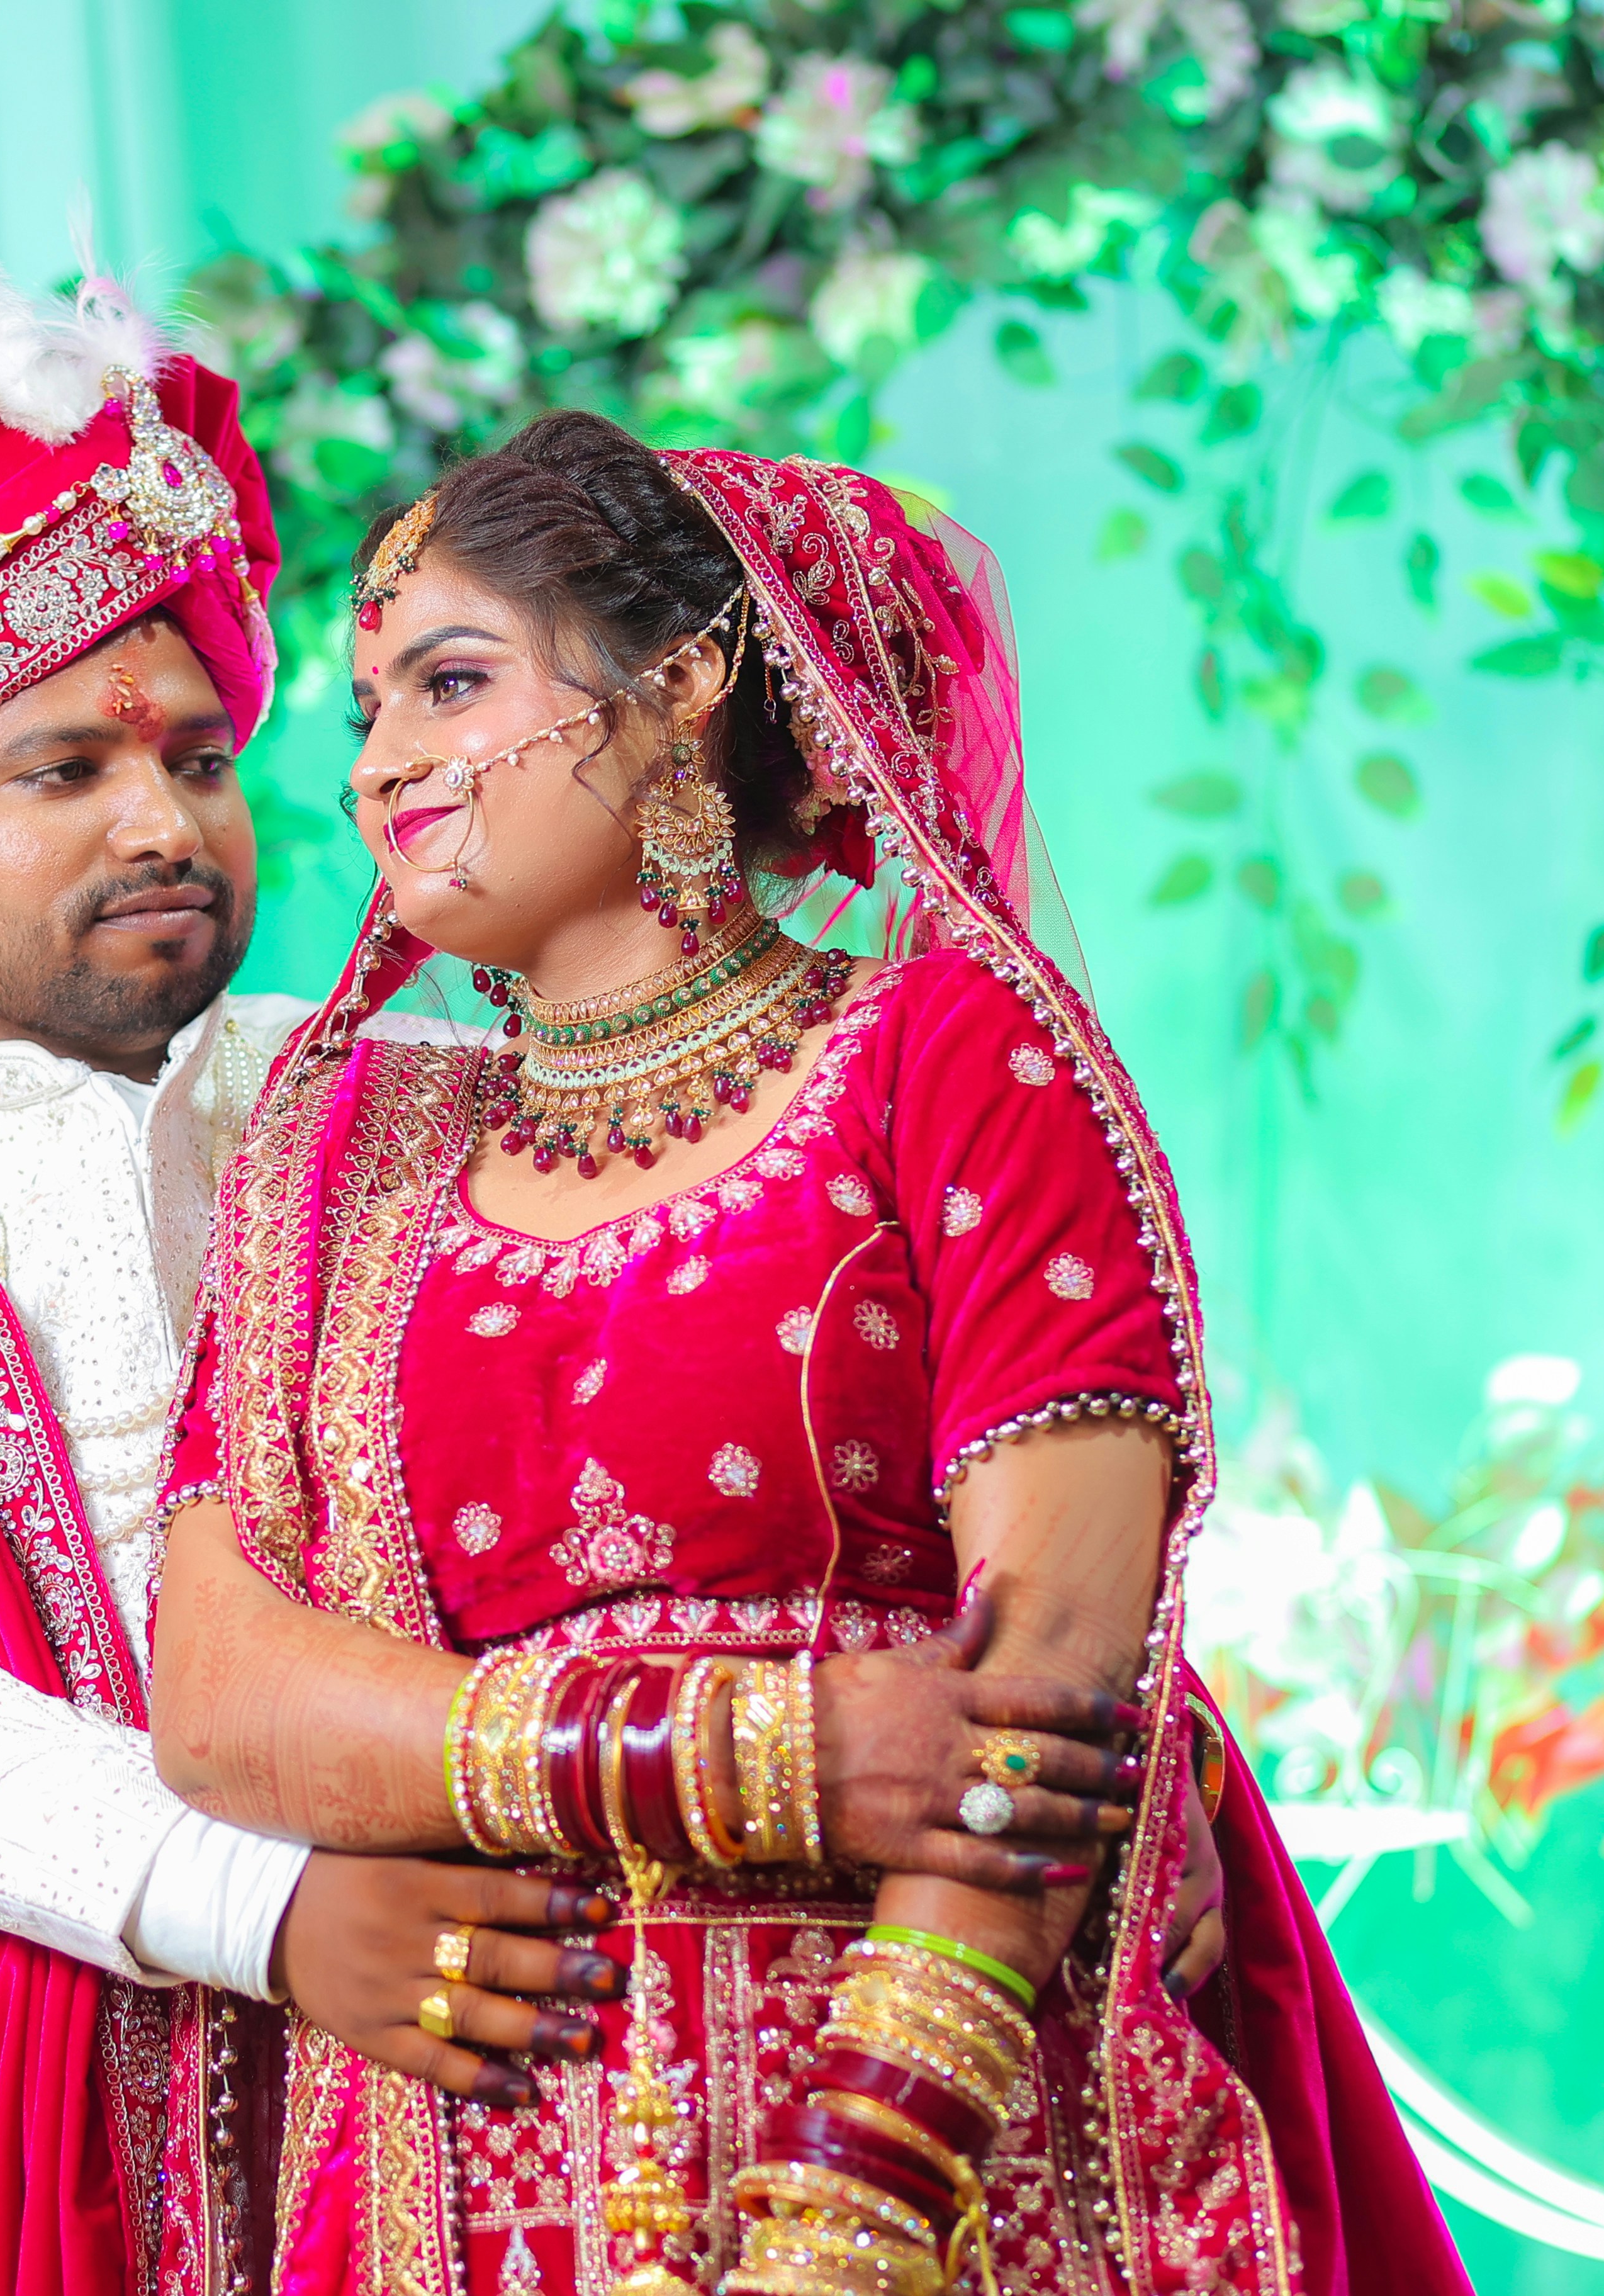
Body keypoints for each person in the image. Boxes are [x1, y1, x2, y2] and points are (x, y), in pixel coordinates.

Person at [0, 249, 1184, 2296]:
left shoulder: (413, 1103)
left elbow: (837, 1446)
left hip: (482, 2120)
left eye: (199, 762)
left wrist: (1119, 1793)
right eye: (66, 773)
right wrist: (265, 1905)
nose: (162, 823)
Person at [149, 415, 1466, 2294]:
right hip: (461, 2189)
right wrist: (762, 1749)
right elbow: (219, 1702)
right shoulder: (341, 1154)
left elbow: (1049, 1693)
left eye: (450, 684)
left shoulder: (951, 1058)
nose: (375, 768)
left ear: (681, 687)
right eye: (366, 714)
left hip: (929, 2163)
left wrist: (862, 2189)